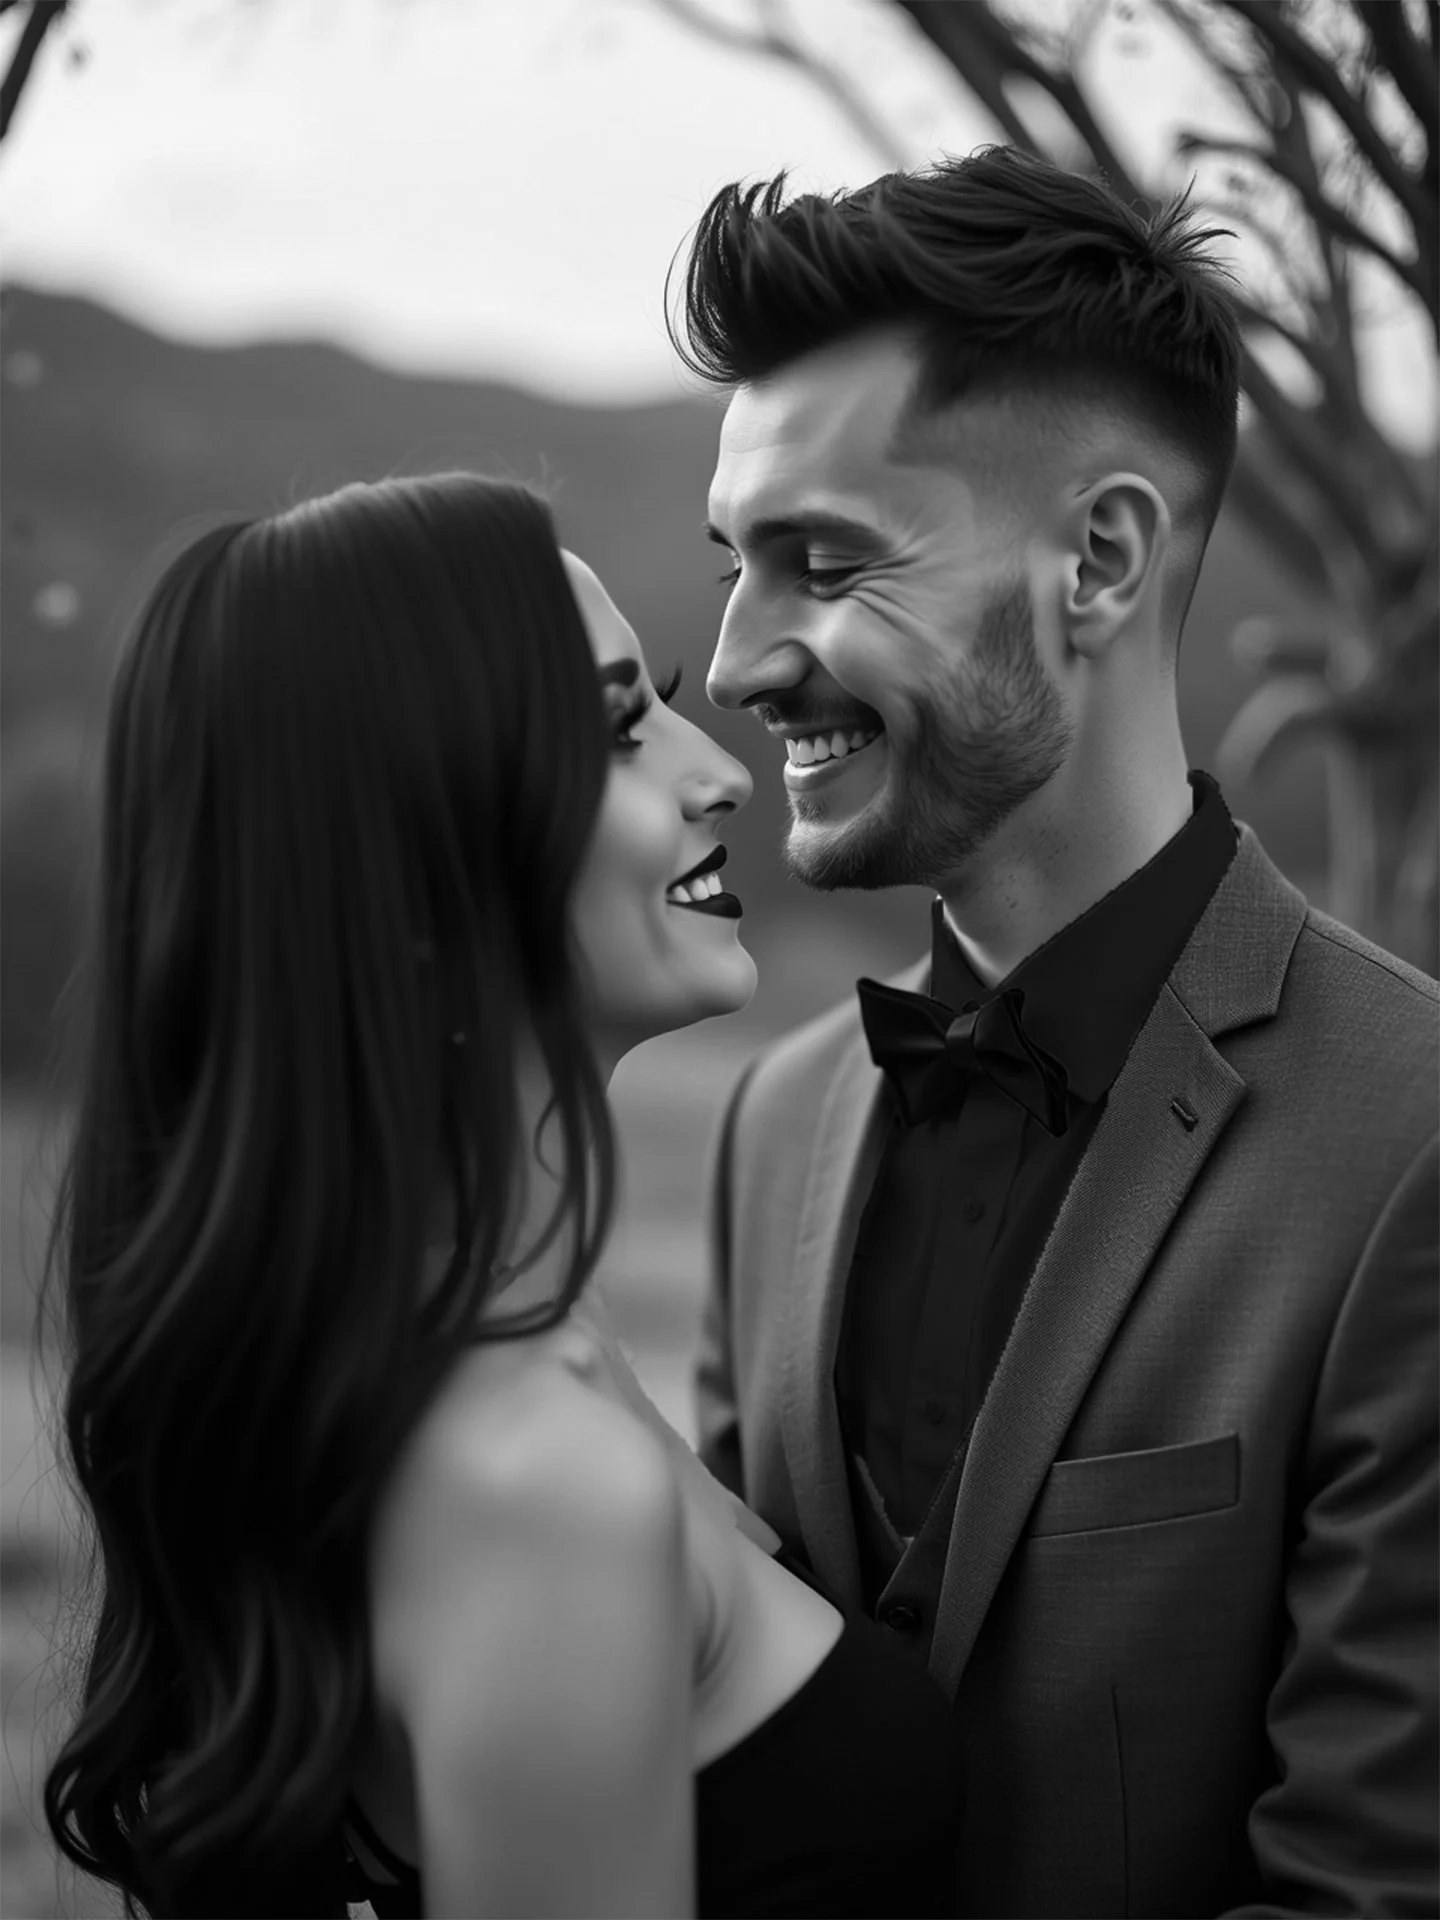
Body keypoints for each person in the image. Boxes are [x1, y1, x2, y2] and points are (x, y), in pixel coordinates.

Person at [683, 147, 1439, 1917]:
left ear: (1096, 561)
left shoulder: (1413, 1140)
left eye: (822, 562)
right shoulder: (770, 1127)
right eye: (734, 564)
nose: (732, 661)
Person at [40, 473, 963, 1920]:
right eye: (616, 731)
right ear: (414, 848)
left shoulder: (522, 1349)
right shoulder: (537, 1488)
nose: (719, 772)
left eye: (662, 703)